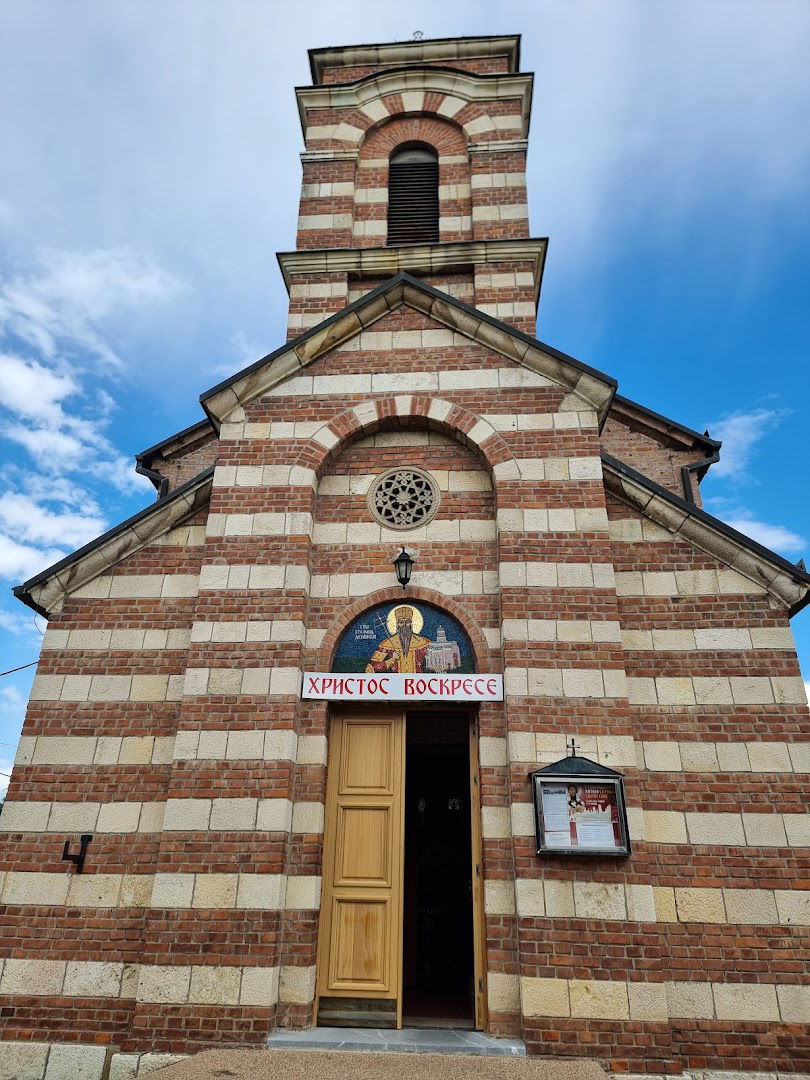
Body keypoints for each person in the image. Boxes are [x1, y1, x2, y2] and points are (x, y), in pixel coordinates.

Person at [365, 606, 432, 674]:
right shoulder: (387, 644)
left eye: (407, 622)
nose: (404, 625)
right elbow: (370, 669)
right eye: (401, 622)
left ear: (411, 624)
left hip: (418, 682)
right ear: (397, 625)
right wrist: (392, 660)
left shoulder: (423, 643)